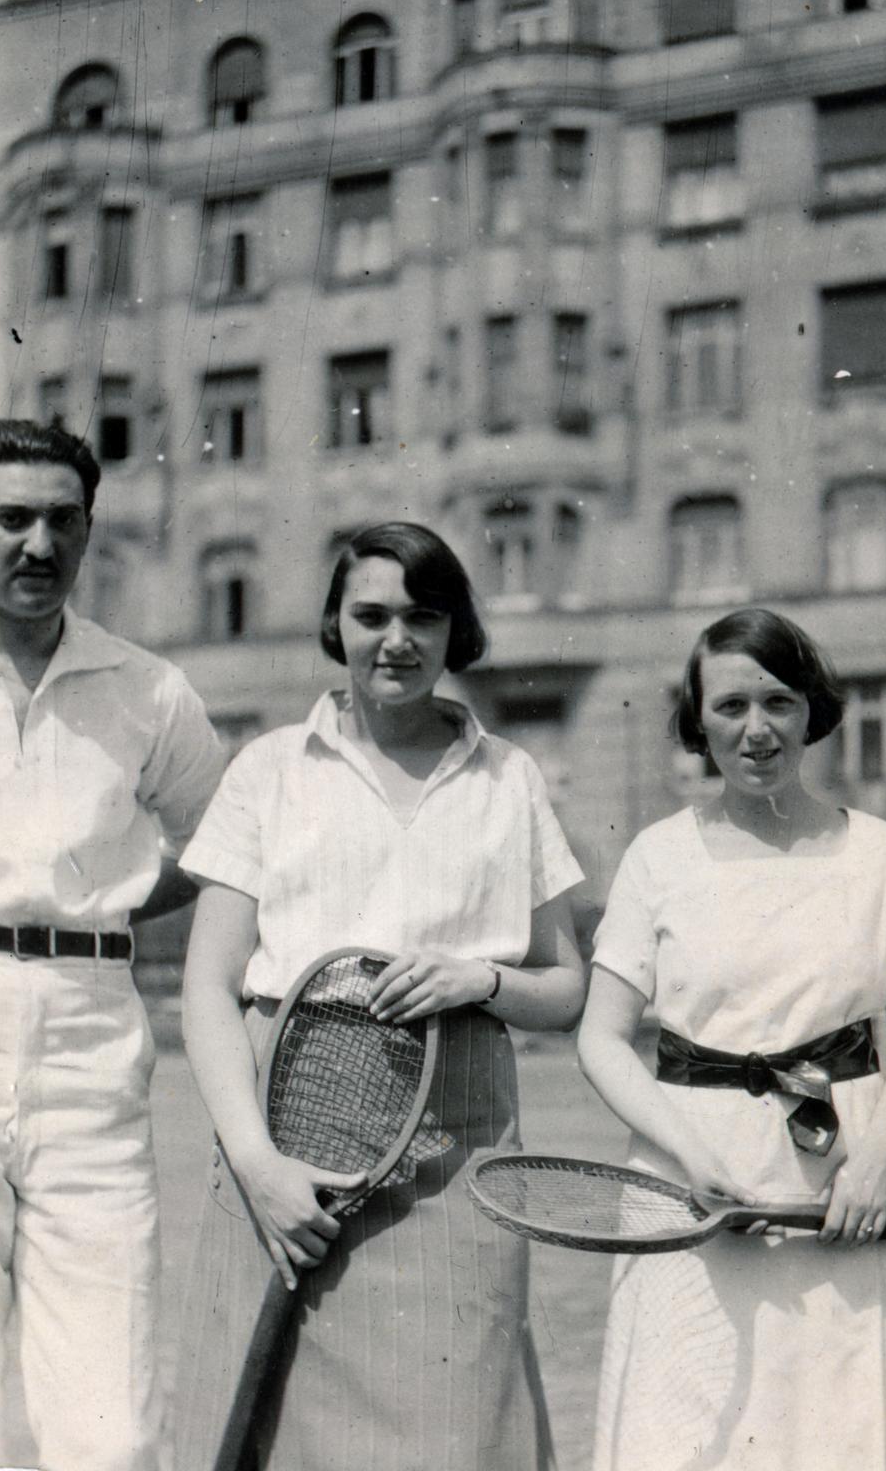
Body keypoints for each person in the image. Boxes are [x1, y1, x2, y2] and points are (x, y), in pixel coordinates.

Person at [175, 520, 585, 1471]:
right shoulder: (269, 769)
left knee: (458, 1427)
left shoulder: (509, 778)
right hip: (284, 1138)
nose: (396, 639)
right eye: (371, 615)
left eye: (422, 616)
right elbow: (208, 982)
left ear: (456, 633)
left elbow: (565, 988)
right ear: (335, 625)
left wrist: (481, 979)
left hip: (460, 1145)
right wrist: (257, 1164)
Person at [577, 607, 886, 1471]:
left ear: (812, 711)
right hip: (693, 1189)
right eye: (729, 708)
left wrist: (875, 1164)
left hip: (851, 1183)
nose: (756, 731)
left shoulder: (879, 853)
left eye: (777, 703)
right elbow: (604, 1039)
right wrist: (690, 1163)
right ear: (697, 723)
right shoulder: (658, 857)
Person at [0, 417, 224, 1471]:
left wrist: (114, 898)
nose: (38, 544)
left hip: (89, 1041)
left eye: (62, 521)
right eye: (10, 517)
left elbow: (225, 846)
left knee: (112, 1426)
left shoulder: (148, 688)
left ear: (87, 533)